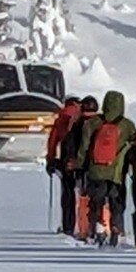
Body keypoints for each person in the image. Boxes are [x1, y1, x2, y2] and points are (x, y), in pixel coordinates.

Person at [77, 90, 136, 246]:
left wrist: (80, 164)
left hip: (96, 171)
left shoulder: (92, 123)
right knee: (116, 204)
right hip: (117, 173)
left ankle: (97, 229)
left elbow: (84, 148)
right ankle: (116, 228)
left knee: (96, 203)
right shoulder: (127, 125)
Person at [63, 96, 98, 241]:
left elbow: (70, 144)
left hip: (82, 167)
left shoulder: (77, 124)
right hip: (101, 165)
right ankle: (104, 227)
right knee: (101, 198)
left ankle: (85, 229)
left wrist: (71, 162)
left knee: (83, 198)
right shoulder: (101, 122)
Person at [46, 96, 82, 236]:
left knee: (67, 193)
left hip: (66, 159)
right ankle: (86, 228)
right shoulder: (83, 116)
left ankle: (68, 226)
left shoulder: (61, 117)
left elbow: (53, 141)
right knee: (85, 194)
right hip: (83, 160)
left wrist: (51, 159)